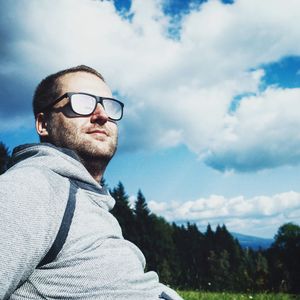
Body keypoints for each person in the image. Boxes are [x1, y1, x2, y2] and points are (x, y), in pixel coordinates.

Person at [0, 65, 183, 300]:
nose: (102, 115)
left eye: (108, 105)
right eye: (82, 102)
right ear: (43, 124)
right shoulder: (31, 186)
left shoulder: (87, 201)